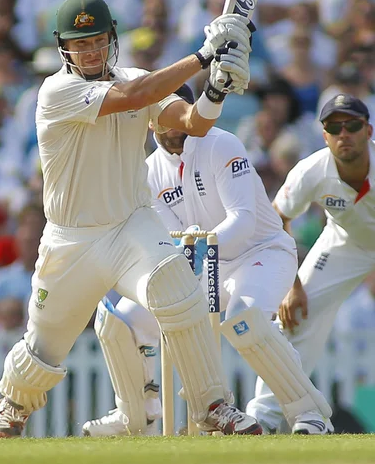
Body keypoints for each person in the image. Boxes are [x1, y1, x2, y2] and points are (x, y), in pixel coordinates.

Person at [0, 0, 258, 439]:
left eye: (96, 40)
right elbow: (135, 95)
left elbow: (193, 122)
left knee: (179, 291)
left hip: (131, 224)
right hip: (71, 238)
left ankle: (212, 406)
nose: (89, 51)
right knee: (44, 343)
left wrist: (215, 88)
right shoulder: (57, 91)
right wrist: (205, 55)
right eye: (79, 43)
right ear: (63, 48)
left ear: (111, 38)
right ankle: (13, 406)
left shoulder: (137, 77)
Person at [82, 85, 332, 437]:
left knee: (244, 320)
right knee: (118, 319)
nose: (172, 124)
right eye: (162, 115)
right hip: (200, 265)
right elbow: (168, 238)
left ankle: (308, 412)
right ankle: (137, 414)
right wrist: (188, 258)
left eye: (178, 111)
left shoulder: (221, 143)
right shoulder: (147, 172)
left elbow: (243, 220)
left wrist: (198, 252)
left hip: (260, 253)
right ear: (151, 121)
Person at [247, 93, 375, 434]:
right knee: (293, 320)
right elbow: (277, 219)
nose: (343, 134)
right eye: (335, 127)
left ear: (368, 131)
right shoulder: (312, 170)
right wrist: (292, 285)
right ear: (324, 136)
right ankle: (268, 416)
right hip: (346, 242)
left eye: (352, 126)